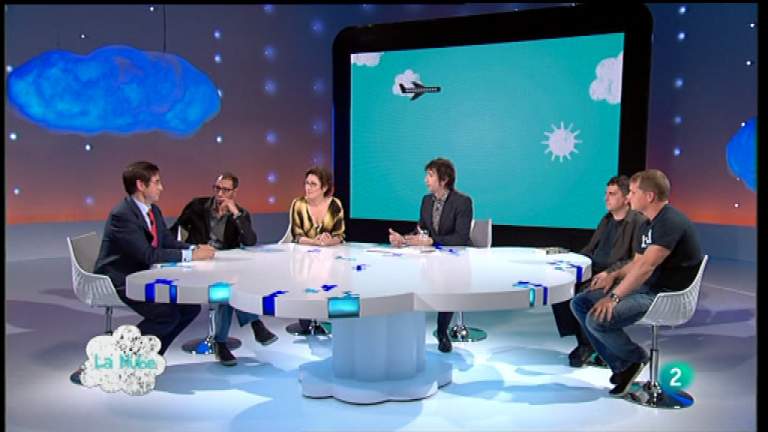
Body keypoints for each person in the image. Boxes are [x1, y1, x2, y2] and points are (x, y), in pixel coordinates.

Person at [71, 161, 216, 385]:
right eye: (156, 182)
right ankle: (104, 363)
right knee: (166, 315)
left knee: (189, 308)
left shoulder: (152, 210)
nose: (161, 188)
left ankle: (146, 358)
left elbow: (167, 242)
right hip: (118, 279)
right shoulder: (122, 215)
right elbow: (147, 255)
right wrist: (190, 256)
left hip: (142, 276)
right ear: (141, 185)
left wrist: (194, 248)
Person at [570, 169, 703, 397]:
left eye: (632, 192)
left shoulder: (670, 221)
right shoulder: (648, 224)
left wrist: (614, 297)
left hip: (665, 296)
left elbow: (646, 267)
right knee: (580, 303)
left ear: (649, 196)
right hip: (648, 288)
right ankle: (622, 367)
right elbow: (637, 262)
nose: (628, 197)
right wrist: (613, 276)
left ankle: (635, 359)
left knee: (597, 318)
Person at [170, 172, 278, 366]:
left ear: (234, 192)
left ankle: (221, 343)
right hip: (200, 261)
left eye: (226, 190)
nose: (220, 193)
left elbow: (250, 241)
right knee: (226, 287)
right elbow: (175, 231)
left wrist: (235, 213)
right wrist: (189, 249)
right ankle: (253, 325)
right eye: (217, 188)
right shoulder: (197, 206)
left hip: (224, 264)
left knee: (227, 288)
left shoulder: (240, 213)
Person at [551, 175, 647, 367]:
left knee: (581, 295)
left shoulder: (638, 222)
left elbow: (636, 261)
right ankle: (584, 342)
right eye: (606, 193)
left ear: (626, 197)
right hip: (595, 270)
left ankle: (589, 346)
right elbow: (590, 249)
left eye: (612, 194)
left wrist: (610, 273)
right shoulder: (606, 219)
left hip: (616, 277)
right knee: (559, 287)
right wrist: (569, 260)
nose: (606, 198)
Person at [388, 157, 473, 354]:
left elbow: (461, 238)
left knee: (448, 285)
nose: (426, 180)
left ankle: (442, 332)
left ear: (444, 179)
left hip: (455, 259)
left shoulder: (462, 202)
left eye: (430, 175)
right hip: (431, 257)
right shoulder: (426, 201)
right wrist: (404, 239)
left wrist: (433, 241)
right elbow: (421, 230)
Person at [285, 166, 346, 336]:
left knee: (333, 274)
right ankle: (307, 320)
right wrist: (316, 242)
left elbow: (340, 235)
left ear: (324, 187)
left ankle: (325, 319)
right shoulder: (298, 204)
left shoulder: (335, 205)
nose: (308, 188)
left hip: (329, 257)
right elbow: (297, 236)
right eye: (306, 183)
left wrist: (329, 241)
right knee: (305, 275)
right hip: (303, 256)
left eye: (313, 184)